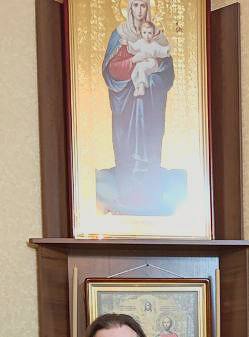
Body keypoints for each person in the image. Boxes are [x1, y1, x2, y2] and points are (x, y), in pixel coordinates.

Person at [101, 0, 174, 212]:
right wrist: (134, 63)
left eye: (143, 5)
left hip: (150, 104)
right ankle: (126, 197)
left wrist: (152, 74)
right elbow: (111, 70)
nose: (140, 10)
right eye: (135, 5)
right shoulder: (120, 35)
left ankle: (150, 198)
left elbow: (167, 72)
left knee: (150, 145)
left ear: (148, 8)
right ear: (129, 8)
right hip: (126, 105)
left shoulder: (156, 35)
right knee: (125, 147)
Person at [128, 19, 171, 96]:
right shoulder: (140, 42)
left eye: (149, 33)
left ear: (153, 34)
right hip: (142, 63)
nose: (147, 36)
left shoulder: (154, 44)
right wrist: (128, 44)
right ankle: (137, 87)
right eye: (144, 33)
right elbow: (134, 48)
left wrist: (166, 50)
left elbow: (161, 51)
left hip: (151, 63)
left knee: (142, 69)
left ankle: (142, 86)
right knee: (133, 74)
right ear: (141, 33)